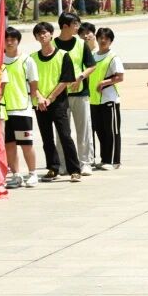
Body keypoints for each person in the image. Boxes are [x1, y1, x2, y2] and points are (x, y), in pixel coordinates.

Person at [31, 21, 82, 183]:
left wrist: (50, 98)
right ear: (36, 37)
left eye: (45, 32)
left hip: (58, 102)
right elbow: (30, 82)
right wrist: (40, 97)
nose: (42, 35)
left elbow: (66, 79)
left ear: (51, 34)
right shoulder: (32, 58)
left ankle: (75, 169)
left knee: (65, 136)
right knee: (47, 138)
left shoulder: (63, 55)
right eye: (39, 33)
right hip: (40, 104)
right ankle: (53, 168)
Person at [55, 13, 97, 175]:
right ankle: (63, 164)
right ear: (65, 26)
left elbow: (91, 65)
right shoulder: (52, 44)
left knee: (84, 130)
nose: (78, 27)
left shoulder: (81, 44)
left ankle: (85, 162)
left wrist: (81, 77)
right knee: (62, 133)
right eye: (75, 24)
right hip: (59, 95)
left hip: (80, 93)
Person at [1, 27, 40, 189]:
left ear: (18, 41)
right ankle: (16, 175)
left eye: (13, 39)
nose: (9, 42)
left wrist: (35, 102)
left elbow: (34, 85)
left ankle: (32, 173)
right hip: (3, 110)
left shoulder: (27, 60)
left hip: (22, 109)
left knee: (26, 144)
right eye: (6, 39)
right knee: (9, 145)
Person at [89, 27, 124, 170]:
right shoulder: (92, 55)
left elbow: (120, 77)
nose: (103, 41)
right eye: (101, 38)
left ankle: (114, 161)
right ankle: (105, 159)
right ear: (97, 39)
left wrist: (104, 83)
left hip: (109, 99)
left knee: (112, 131)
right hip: (94, 99)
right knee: (100, 131)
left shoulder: (113, 57)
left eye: (106, 39)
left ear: (111, 41)